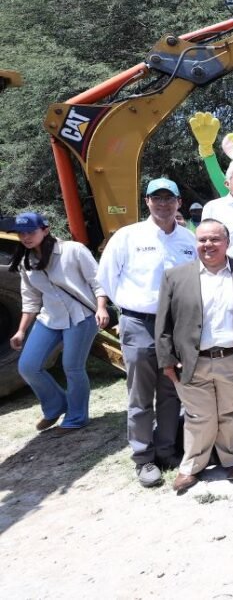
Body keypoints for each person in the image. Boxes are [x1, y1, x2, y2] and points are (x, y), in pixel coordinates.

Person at [97, 177, 196, 487]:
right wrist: (127, 308)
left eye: (169, 198)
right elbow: (106, 277)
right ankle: (143, 458)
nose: (163, 203)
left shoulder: (189, 240)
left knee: (170, 391)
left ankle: (166, 450)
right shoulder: (128, 236)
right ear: (147, 202)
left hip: (175, 326)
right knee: (140, 394)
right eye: (157, 198)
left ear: (179, 202)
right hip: (139, 323)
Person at [155, 219, 233, 493]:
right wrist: (166, 360)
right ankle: (191, 467)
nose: (208, 245)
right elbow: (163, 323)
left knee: (229, 413)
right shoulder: (175, 276)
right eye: (202, 240)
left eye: (215, 239)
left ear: (227, 243)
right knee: (199, 416)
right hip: (191, 362)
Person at [9, 212, 108, 433]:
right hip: (50, 318)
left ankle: (77, 418)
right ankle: (56, 406)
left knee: (72, 367)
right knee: (28, 366)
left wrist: (101, 307)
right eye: (21, 233)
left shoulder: (73, 250)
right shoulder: (26, 261)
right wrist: (21, 331)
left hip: (81, 317)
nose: (25, 237)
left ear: (45, 230)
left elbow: (98, 281)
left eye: (30, 232)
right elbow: (31, 299)